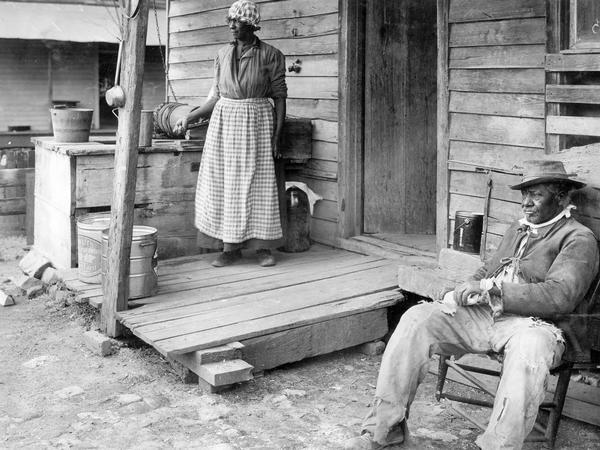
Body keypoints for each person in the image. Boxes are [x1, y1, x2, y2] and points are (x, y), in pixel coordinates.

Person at [345, 160, 599, 450]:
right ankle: (384, 431)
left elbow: (560, 296)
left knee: (531, 346)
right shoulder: (520, 229)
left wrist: (491, 289)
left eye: (537, 195)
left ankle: (497, 446)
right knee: (417, 317)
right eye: (524, 195)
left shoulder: (578, 238)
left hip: (536, 325)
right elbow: (487, 270)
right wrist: (463, 290)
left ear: (563, 197)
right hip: (486, 315)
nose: (526, 203)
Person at [175, 0, 287, 268]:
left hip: (257, 121)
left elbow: (280, 97)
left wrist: (277, 136)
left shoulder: (271, 54)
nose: (232, 25)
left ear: (251, 24)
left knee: (257, 184)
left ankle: (263, 247)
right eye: (230, 20)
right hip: (224, 125)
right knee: (224, 185)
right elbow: (215, 97)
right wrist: (189, 117)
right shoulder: (222, 54)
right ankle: (229, 248)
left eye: (236, 21)